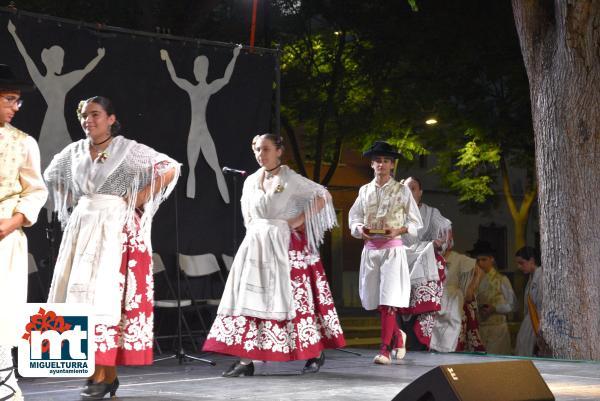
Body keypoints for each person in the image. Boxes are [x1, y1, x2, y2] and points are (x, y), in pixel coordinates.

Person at [44, 96, 180, 399]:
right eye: (83, 115)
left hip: (115, 228)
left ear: (111, 119)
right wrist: (75, 204)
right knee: (81, 298)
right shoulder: (74, 151)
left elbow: (169, 167)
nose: (88, 120)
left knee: (107, 298)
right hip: (83, 226)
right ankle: (99, 374)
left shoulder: (127, 150)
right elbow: (52, 176)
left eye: (94, 114)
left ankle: (104, 375)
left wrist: (137, 199)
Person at [202, 133, 345, 377]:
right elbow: (248, 214)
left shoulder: (291, 179)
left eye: (266, 149)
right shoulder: (250, 181)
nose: (261, 154)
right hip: (256, 245)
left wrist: (300, 219)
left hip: (285, 246)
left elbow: (323, 195)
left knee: (295, 301)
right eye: (257, 149)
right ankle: (246, 360)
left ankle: (313, 351)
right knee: (248, 300)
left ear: (279, 151)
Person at [348, 141, 423, 365]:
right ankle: (398, 335)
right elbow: (354, 218)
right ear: (372, 164)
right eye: (378, 160)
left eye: (386, 161)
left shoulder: (401, 191)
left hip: (392, 250)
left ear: (392, 165)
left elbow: (415, 223)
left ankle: (384, 349)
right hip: (370, 251)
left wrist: (398, 230)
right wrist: (360, 229)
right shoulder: (365, 190)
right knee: (378, 302)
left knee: (389, 300)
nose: (382, 164)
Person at [0, 64, 48, 401]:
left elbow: (35, 190)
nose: (16, 107)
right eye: (9, 99)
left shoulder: (24, 143)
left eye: (17, 100)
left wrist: (12, 222)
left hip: (5, 236)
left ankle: (3, 384)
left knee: (2, 310)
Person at [160, 45, 241, 203]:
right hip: (195, 133)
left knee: (215, 167)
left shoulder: (206, 88)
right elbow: (175, 78)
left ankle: (226, 199)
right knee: (192, 168)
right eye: (197, 68)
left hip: (201, 132)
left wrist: (235, 57)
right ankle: (192, 199)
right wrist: (167, 58)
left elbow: (225, 79)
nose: (198, 72)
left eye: (201, 68)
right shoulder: (193, 88)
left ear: (205, 71)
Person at [399, 177, 449, 349]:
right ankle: (397, 344)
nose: (410, 192)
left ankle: (419, 345)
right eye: (406, 188)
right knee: (397, 309)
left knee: (421, 313)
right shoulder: (395, 213)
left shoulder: (431, 213)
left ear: (420, 192)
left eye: (413, 188)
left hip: (424, 267)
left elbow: (446, 234)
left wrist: (437, 244)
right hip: (401, 265)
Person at [430, 238, 486, 353]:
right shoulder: (431, 257)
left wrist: (470, 289)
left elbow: (479, 271)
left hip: (453, 301)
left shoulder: (457, 258)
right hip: (435, 300)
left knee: (454, 337)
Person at [469, 240, 517, 354]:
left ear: (492, 259)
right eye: (478, 260)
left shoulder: (501, 279)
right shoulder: (473, 281)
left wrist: (495, 308)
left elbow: (513, 305)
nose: (480, 263)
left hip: (498, 331)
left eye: (484, 259)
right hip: (480, 330)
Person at [514, 246, 546, 356]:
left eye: (521, 263)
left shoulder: (541, 276)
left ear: (531, 260)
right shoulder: (531, 278)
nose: (519, 266)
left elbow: (541, 306)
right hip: (529, 322)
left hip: (537, 322)